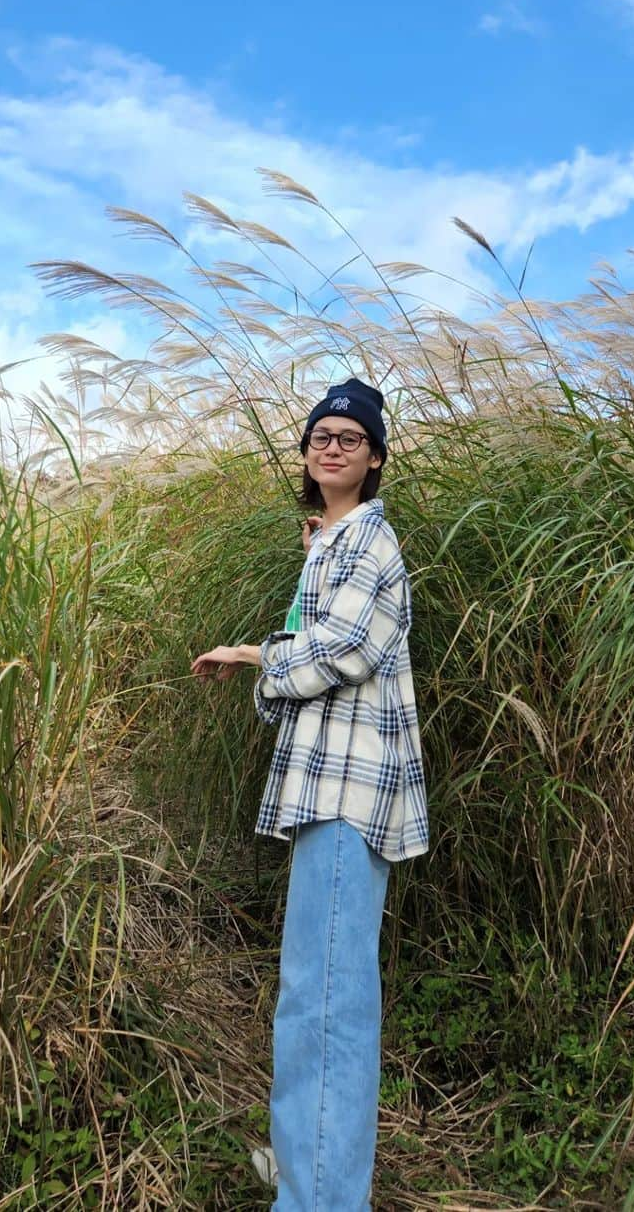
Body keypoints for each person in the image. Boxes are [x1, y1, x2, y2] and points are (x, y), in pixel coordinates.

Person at [190, 377, 429, 1211]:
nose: (333, 446)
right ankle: (308, 1175)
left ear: (374, 457)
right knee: (309, 997)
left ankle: (321, 1199)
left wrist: (258, 657)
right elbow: (303, 662)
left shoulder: (370, 539)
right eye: (321, 436)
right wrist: (270, 661)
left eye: (351, 438)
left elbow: (343, 649)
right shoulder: (326, 542)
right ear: (304, 453)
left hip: (350, 790)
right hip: (320, 786)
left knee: (327, 1005)